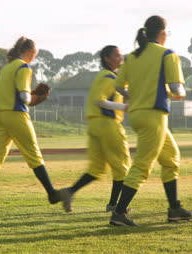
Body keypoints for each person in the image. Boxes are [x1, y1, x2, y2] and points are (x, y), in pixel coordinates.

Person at [109, 15, 192, 226]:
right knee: (142, 165)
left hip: (138, 115)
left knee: (171, 158)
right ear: (162, 33)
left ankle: (175, 209)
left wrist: (136, 96)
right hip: (154, 116)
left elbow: (119, 87)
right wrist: (181, 91)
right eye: (167, 32)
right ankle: (119, 213)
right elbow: (177, 89)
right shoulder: (167, 54)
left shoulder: (132, 57)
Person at [0, 36, 59, 207]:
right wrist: (35, 97)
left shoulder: (7, 68)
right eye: (35, 53)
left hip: (1, 115)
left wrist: (31, 95)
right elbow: (24, 97)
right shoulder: (24, 67)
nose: (35, 56)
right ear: (29, 51)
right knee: (34, 154)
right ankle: (52, 193)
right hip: (16, 115)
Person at [58, 45, 130, 213]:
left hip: (94, 124)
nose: (121, 58)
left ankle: (69, 192)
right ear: (106, 58)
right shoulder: (110, 77)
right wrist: (124, 107)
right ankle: (114, 205)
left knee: (97, 168)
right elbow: (99, 100)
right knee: (122, 166)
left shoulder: (101, 76)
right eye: (117, 56)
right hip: (108, 124)